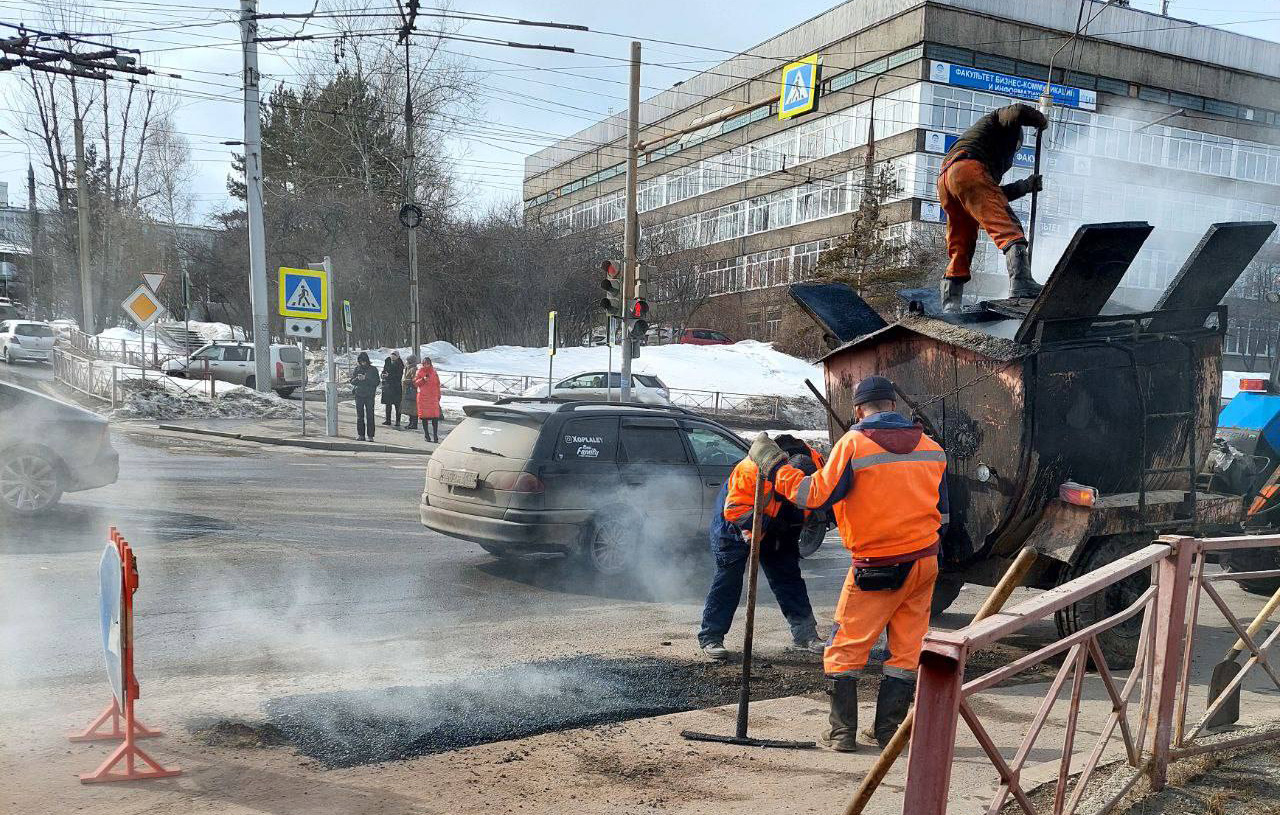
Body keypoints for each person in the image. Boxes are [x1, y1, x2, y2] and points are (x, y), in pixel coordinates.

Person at [748, 375, 948, 752]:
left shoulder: (854, 445)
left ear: (858, 410)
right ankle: (889, 733)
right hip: (924, 563)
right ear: (893, 405)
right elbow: (945, 512)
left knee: (844, 647)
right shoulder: (931, 447)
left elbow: (812, 495)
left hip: (877, 567)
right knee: (906, 650)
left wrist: (773, 464)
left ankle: (841, 734)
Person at [698, 434, 827, 662]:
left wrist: (789, 526)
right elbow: (735, 511)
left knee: (789, 578)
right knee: (728, 580)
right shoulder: (752, 471)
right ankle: (711, 636)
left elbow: (818, 502)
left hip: (780, 523)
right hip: (736, 527)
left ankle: (805, 635)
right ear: (781, 476)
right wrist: (769, 524)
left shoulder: (815, 468)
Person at [937, 102, 1049, 313]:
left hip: (947, 180)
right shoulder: (998, 121)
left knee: (961, 241)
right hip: (967, 169)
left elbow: (989, 197)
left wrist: (1025, 186)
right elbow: (1017, 111)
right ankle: (1021, 283)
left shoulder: (980, 146)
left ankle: (951, 302)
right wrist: (1040, 120)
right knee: (1007, 225)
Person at [349, 352, 380, 442]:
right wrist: (357, 379)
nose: (363, 363)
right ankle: (361, 434)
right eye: (361, 361)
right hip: (359, 394)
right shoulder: (357, 369)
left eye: (364, 361)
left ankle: (370, 435)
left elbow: (377, 382)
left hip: (369, 395)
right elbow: (352, 381)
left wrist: (366, 379)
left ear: (367, 361)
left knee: (370, 415)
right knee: (360, 416)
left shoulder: (373, 369)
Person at [414, 357, 442, 443]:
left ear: (430, 363)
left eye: (427, 363)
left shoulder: (434, 372)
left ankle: (435, 436)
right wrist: (423, 379)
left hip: (433, 397)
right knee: (424, 418)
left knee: (435, 418)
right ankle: (427, 435)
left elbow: (437, 384)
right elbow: (415, 383)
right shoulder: (420, 371)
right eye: (424, 363)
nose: (426, 365)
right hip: (423, 397)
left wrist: (438, 395)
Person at [381, 351, 405, 428]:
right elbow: (384, 370)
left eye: (394, 355)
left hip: (396, 387)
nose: (393, 356)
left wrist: (389, 375)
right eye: (392, 355)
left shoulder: (400, 364)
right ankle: (388, 420)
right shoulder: (387, 361)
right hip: (387, 386)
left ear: (398, 356)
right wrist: (383, 375)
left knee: (397, 405)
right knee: (388, 404)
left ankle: (398, 421)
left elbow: (399, 376)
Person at [401, 354, 419, 431]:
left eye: (407, 360)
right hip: (408, 390)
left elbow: (414, 380)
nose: (406, 362)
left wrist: (405, 381)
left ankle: (414, 423)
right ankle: (411, 422)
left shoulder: (413, 369)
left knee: (413, 408)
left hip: (411, 391)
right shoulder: (408, 368)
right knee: (409, 407)